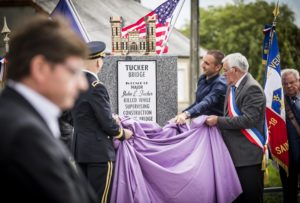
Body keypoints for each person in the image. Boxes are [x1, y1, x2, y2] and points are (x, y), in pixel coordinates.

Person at [0, 15, 96, 203]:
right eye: (73, 71)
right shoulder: (24, 134)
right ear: (40, 68)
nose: (83, 85)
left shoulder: (19, 117)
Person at [72, 41, 133, 203]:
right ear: (99, 62)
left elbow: (70, 117)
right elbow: (107, 123)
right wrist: (122, 133)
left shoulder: (73, 84)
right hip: (99, 153)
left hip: (80, 151)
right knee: (100, 199)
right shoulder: (96, 86)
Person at [205, 53, 266, 203]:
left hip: (248, 158)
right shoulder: (232, 87)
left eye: (225, 70)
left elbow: (248, 120)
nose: (223, 74)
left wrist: (218, 121)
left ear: (235, 70)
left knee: (251, 198)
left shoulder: (252, 88)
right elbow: (229, 115)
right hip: (234, 156)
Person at [175, 50, 226, 124]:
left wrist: (186, 114)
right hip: (202, 124)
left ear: (218, 67)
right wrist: (182, 114)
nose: (202, 65)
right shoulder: (202, 78)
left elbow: (207, 102)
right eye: (203, 61)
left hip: (216, 129)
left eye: (207, 63)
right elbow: (198, 103)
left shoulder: (221, 84)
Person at [280, 68, 300, 203]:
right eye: (285, 84)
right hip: (288, 155)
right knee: (289, 194)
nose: (288, 86)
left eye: (292, 82)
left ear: (299, 81)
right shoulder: (277, 104)